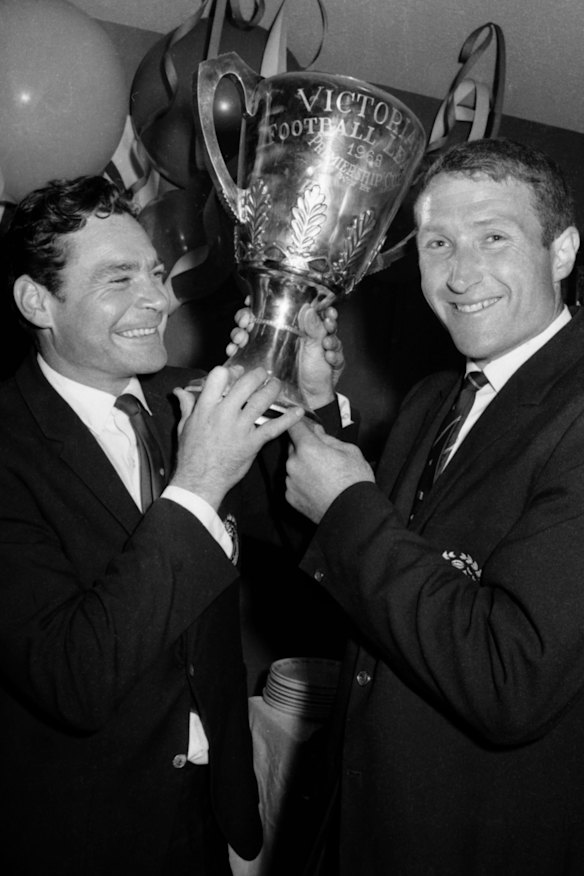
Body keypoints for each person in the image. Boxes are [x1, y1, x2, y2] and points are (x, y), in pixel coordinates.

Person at [0, 174, 347, 876]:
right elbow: (75, 676)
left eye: (155, 274)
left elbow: (317, 556)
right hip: (84, 838)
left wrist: (314, 401)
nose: (157, 300)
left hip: (216, 822)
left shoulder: (192, 395)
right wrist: (198, 483)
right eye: (118, 278)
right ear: (38, 300)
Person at [285, 137, 584, 875]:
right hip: (369, 826)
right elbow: (378, 587)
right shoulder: (433, 401)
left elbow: (509, 679)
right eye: (438, 243)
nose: (461, 273)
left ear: (564, 251)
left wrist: (349, 506)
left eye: (494, 238)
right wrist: (317, 407)